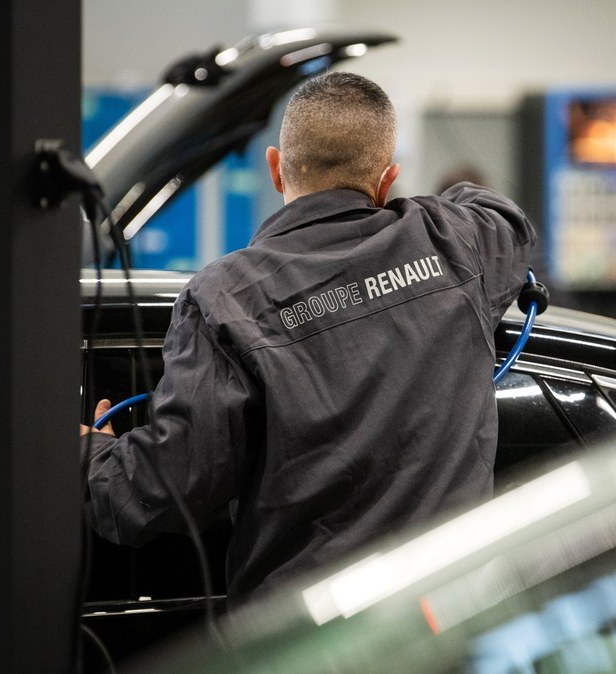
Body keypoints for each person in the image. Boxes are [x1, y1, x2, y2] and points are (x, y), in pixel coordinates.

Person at [79, 71, 535, 609]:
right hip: (442, 635)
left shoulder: (225, 298)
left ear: (275, 168)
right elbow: (502, 214)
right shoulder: (454, 243)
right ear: (388, 180)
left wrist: (90, 452)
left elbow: (159, 496)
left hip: (305, 644)